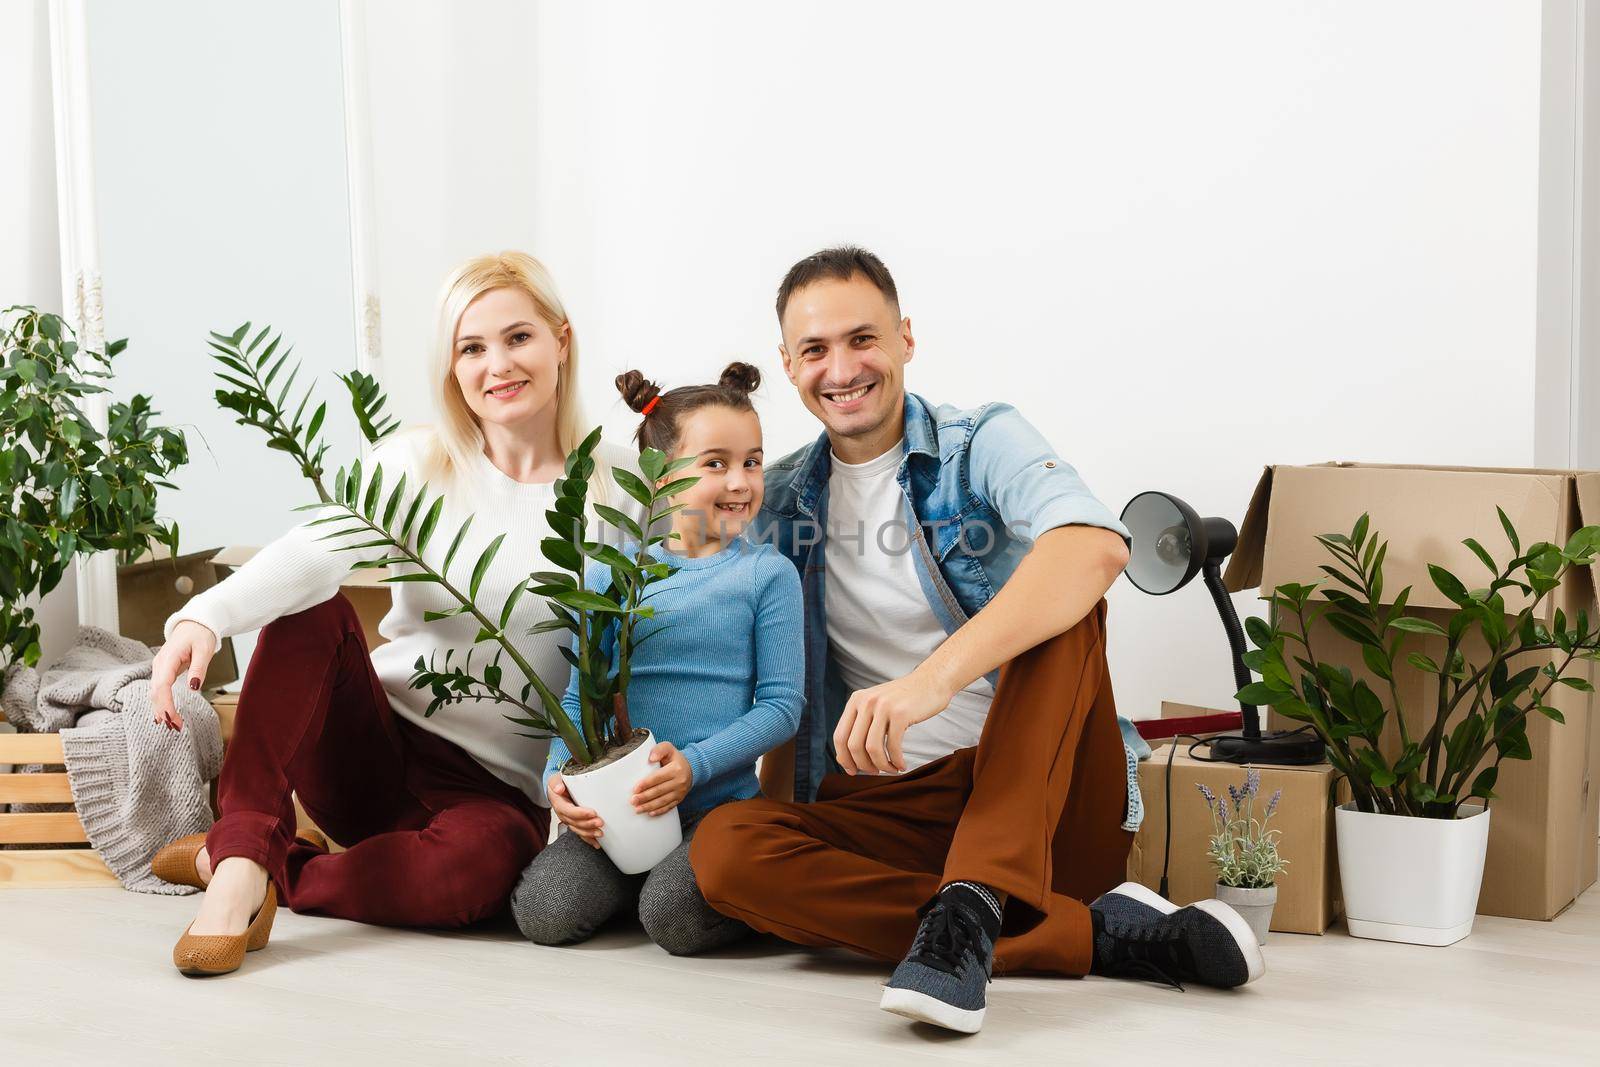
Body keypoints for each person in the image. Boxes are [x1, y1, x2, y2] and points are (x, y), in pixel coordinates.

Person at [690, 247, 1264, 1034]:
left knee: (1066, 593)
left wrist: (933, 680)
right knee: (724, 850)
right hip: (902, 813)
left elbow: (1097, 546)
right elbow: (769, 671)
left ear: (905, 340)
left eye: (864, 339)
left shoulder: (978, 440)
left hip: (1048, 803)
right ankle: (1080, 931)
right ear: (788, 364)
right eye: (815, 349)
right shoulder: (779, 495)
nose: (842, 367)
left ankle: (979, 893)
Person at [147, 251, 643, 976]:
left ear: (561, 340)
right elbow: (314, 551)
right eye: (470, 347)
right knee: (310, 609)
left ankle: (268, 866)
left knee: (477, 879)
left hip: (493, 791)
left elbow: (639, 649)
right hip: (375, 743)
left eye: (518, 337)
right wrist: (203, 617)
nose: (496, 364)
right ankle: (242, 855)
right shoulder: (416, 461)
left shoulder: (621, 489)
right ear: (451, 366)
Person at [510, 362, 803, 956]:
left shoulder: (767, 574)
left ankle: (704, 890)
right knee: (544, 913)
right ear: (659, 474)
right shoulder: (613, 571)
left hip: (715, 810)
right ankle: (636, 885)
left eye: (752, 461)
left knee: (675, 921)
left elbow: (780, 707)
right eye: (715, 463)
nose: (742, 481)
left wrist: (694, 766)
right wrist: (557, 781)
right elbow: (580, 698)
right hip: (622, 816)